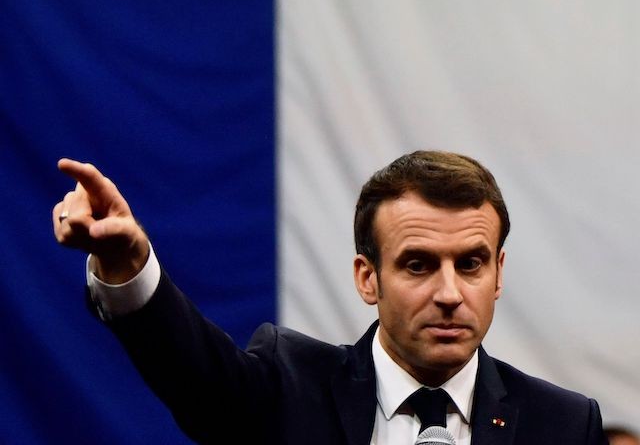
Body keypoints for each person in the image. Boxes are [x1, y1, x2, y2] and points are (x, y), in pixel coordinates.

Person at [53, 151, 607, 445]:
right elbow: (193, 371)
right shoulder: (290, 388)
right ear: (368, 278)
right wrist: (127, 264)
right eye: (417, 265)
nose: (449, 293)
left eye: (471, 264)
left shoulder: (563, 424)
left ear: (498, 273)